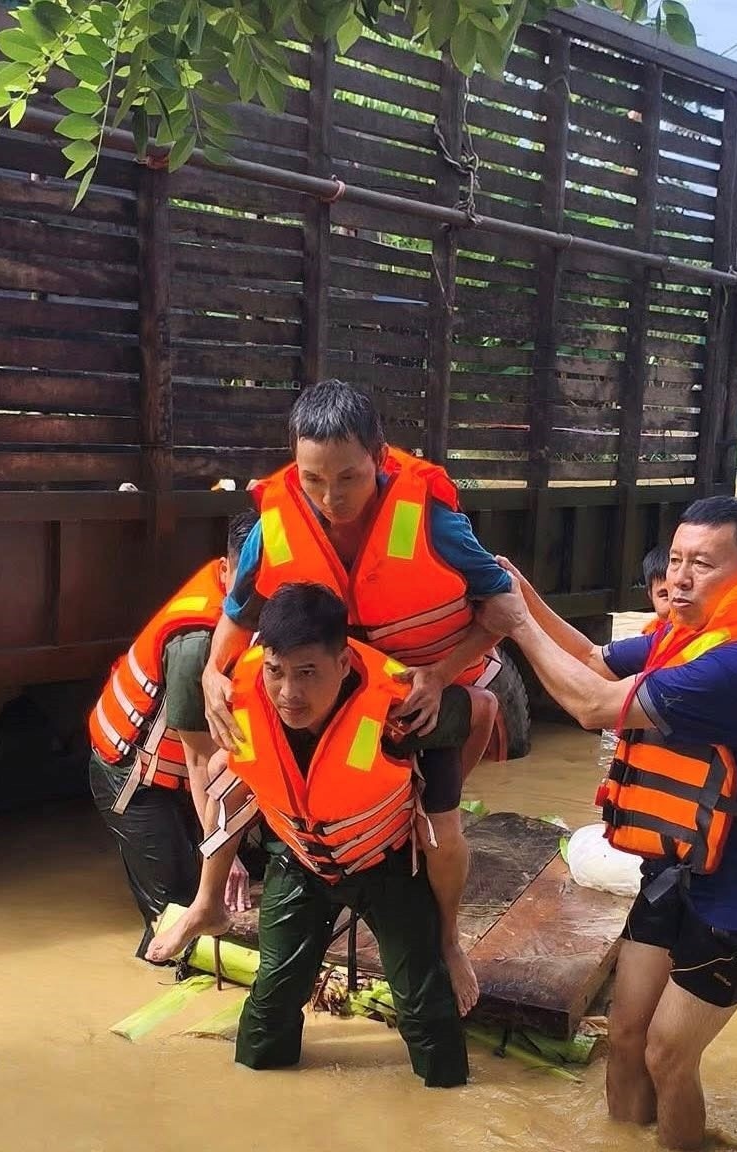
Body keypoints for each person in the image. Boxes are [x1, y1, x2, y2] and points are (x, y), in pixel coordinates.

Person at [482, 496, 737, 1150]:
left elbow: (594, 706)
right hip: (676, 869)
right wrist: (527, 598)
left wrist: (516, 628)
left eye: (702, 564)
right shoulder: (687, 634)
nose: (679, 578)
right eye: (676, 560)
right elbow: (595, 662)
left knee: (667, 1054)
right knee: (625, 1037)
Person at [190, 378, 513, 1015]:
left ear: (381, 458)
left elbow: (502, 609)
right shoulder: (272, 524)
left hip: (413, 693)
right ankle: (208, 900)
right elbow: (238, 612)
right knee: (229, 764)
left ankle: (448, 940)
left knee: (442, 826)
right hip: (325, 687)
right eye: (313, 480)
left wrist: (442, 673)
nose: (331, 498)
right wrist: (210, 675)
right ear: (295, 466)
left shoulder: (435, 523)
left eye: (349, 479)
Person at [190, 582, 472, 1087]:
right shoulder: (237, 694)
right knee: (271, 998)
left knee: (424, 1003)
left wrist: (449, 938)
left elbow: (484, 713)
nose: (289, 693)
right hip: (300, 859)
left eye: (307, 673)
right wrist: (204, 899)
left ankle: (445, 1098)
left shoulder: (405, 711)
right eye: (276, 672)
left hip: (386, 864)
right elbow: (224, 783)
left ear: (343, 665)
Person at [87, 512, 258, 954]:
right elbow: (199, 758)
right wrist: (222, 848)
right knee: (178, 908)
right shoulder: (197, 641)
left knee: (250, 874)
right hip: (134, 778)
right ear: (225, 568)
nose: (256, 597)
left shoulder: (265, 615)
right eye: (248, 581)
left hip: (189, 772)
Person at [642, 545, 672, 634]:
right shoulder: (650, 636)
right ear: (651, 595)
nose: (675, 603)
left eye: (683, 592)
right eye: (665, 595)